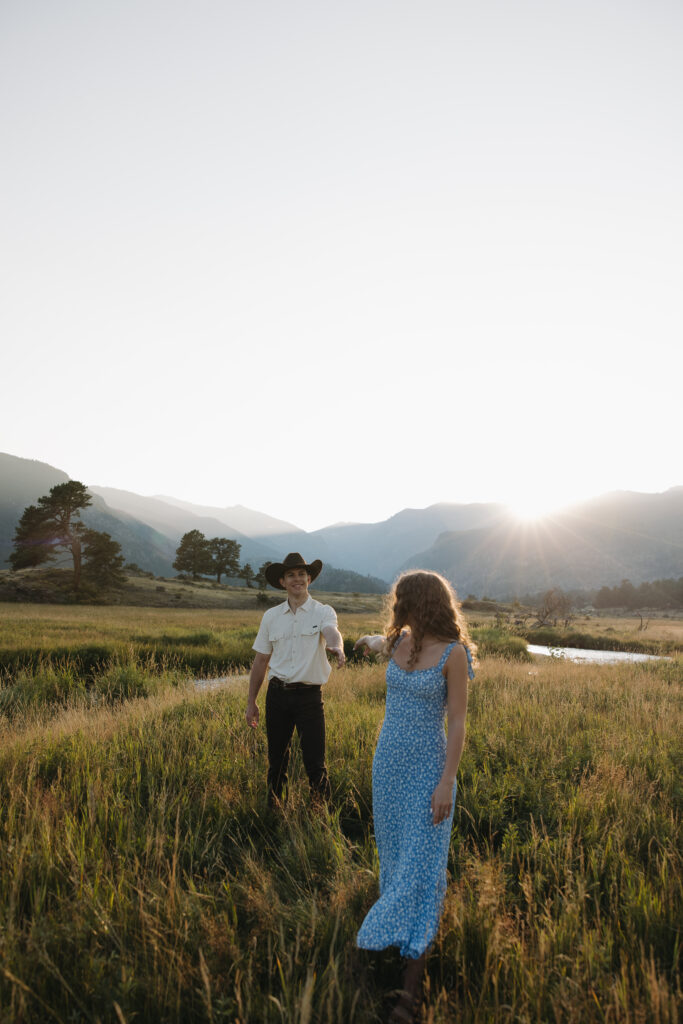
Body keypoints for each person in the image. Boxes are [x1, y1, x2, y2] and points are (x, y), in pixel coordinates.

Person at [354, 570, 475, 1024]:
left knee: (422, 873)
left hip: (429, 774)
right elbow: (373, 638)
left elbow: (459, 722)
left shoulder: (453, 654)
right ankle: (396, 946)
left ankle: (410, 994)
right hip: (387, 769)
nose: (395, 606)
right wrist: (349, 640)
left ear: (422, 603)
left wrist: (447, 781)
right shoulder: (399, 641)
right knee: (395, 862)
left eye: (401, 600)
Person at [246, 552, 345, 805]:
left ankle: (321, 821)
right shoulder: (271, 616)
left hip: (309, 698)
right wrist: (251, 702)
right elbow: (260, 661)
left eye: (302, 574)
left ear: (309, 579)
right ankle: (275, 814)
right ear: (283, 582)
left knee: (315, 763)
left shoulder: (323, 612)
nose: (297, 579)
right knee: (276, 762)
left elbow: (332, 632)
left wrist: (337, 647)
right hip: (276, 696)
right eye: (291, 575)